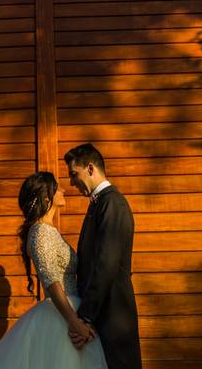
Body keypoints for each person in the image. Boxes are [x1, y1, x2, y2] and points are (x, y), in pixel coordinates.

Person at [0, 171, 108, 369]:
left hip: (71, 309)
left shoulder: (48, 230)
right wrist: (74, 323)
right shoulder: (41, 232)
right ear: (47, 197)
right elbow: (51, 280)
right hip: (60, 317)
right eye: (58, 188)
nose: (64, 190)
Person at [65, 143, 142, 369]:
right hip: (102, 315)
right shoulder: (99, 205)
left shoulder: (112, 204)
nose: (71, 182)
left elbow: (105, 263)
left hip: (114, 317)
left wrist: (85, 317)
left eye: (73, 174)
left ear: (90, 168)